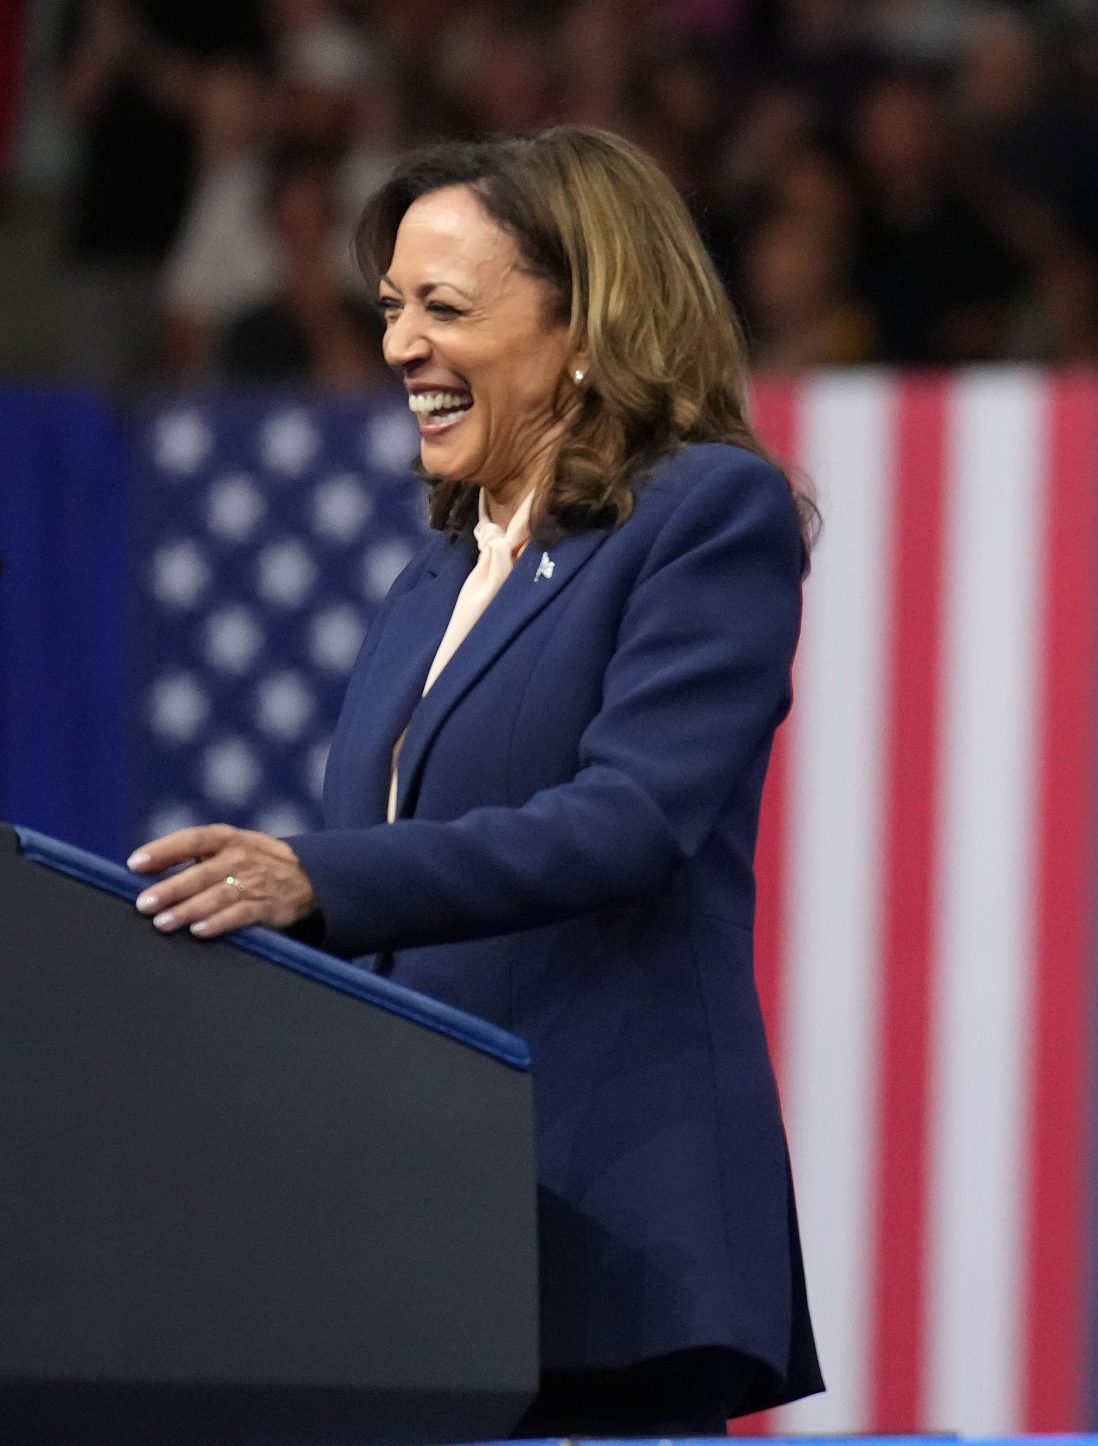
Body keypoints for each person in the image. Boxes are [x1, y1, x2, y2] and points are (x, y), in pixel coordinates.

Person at [124, 126, 823, 1435]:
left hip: (613, 1233)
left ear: (585, 323)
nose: (397, 347)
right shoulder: (435, 578)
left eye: (442, 307)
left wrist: (314, 878)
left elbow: (631, 819)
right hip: (426, 1249)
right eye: (391, 307)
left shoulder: (706, 515)